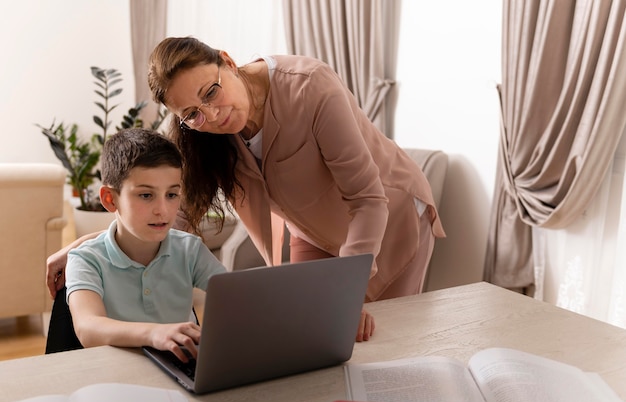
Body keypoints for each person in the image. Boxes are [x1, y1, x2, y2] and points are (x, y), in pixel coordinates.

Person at [47, 36, 445, 342]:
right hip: (313, 231)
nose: (212, 115)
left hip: (389, 217)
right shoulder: (195, 129)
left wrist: (349, 290)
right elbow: (170, 216)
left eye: (211, 93)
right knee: (309, 338)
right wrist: (90, 246)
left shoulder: (310, 86)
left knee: (381, 341)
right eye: (192, 113)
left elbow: (366, 199)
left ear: (227, 62)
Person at [64, 128, 226, 362]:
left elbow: (237, 299)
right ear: (111, 199)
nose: (163, 210)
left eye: (171, 195)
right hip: (120, 374)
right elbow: (88, 329)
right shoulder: (86, 259)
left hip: (181, 367)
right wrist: (154, 333)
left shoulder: (189, 249)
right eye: (146, 195)